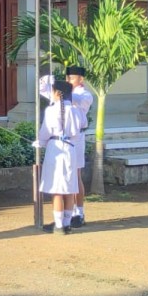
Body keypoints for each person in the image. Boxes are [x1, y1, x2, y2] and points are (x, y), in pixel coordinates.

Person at [35, 79, 83, 235]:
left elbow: (45, 131)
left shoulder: (51, 110)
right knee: (69, 188)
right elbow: (79, 130)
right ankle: (67, 223)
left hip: (55, 148)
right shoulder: (76, 111)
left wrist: (40, 142)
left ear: (56, 93)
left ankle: (58, 224)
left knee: (57, 189)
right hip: (70, 148)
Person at [64, 65, 93, 227]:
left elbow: (80, 102)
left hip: (77, 137)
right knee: (65, 175)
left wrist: (64, 92)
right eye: (67, 78)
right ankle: (66, 213)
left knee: (76, 174)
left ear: (81, 79)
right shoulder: (64, 92)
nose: (69, 81)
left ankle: (79, 212)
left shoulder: (85, 94)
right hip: (63, 137)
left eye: (72, 78)